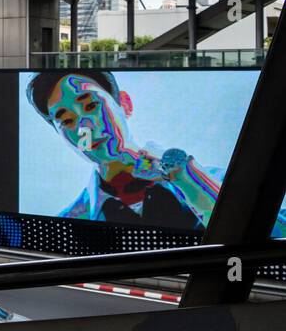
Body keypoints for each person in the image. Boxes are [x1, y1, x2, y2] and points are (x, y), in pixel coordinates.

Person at [25, 69, 227, 231]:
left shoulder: (216, 180)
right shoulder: (68, 222)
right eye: (67, 121)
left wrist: (183, 176)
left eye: (91, 105)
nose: (86, 127)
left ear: (124, 104)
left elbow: (243, 230)